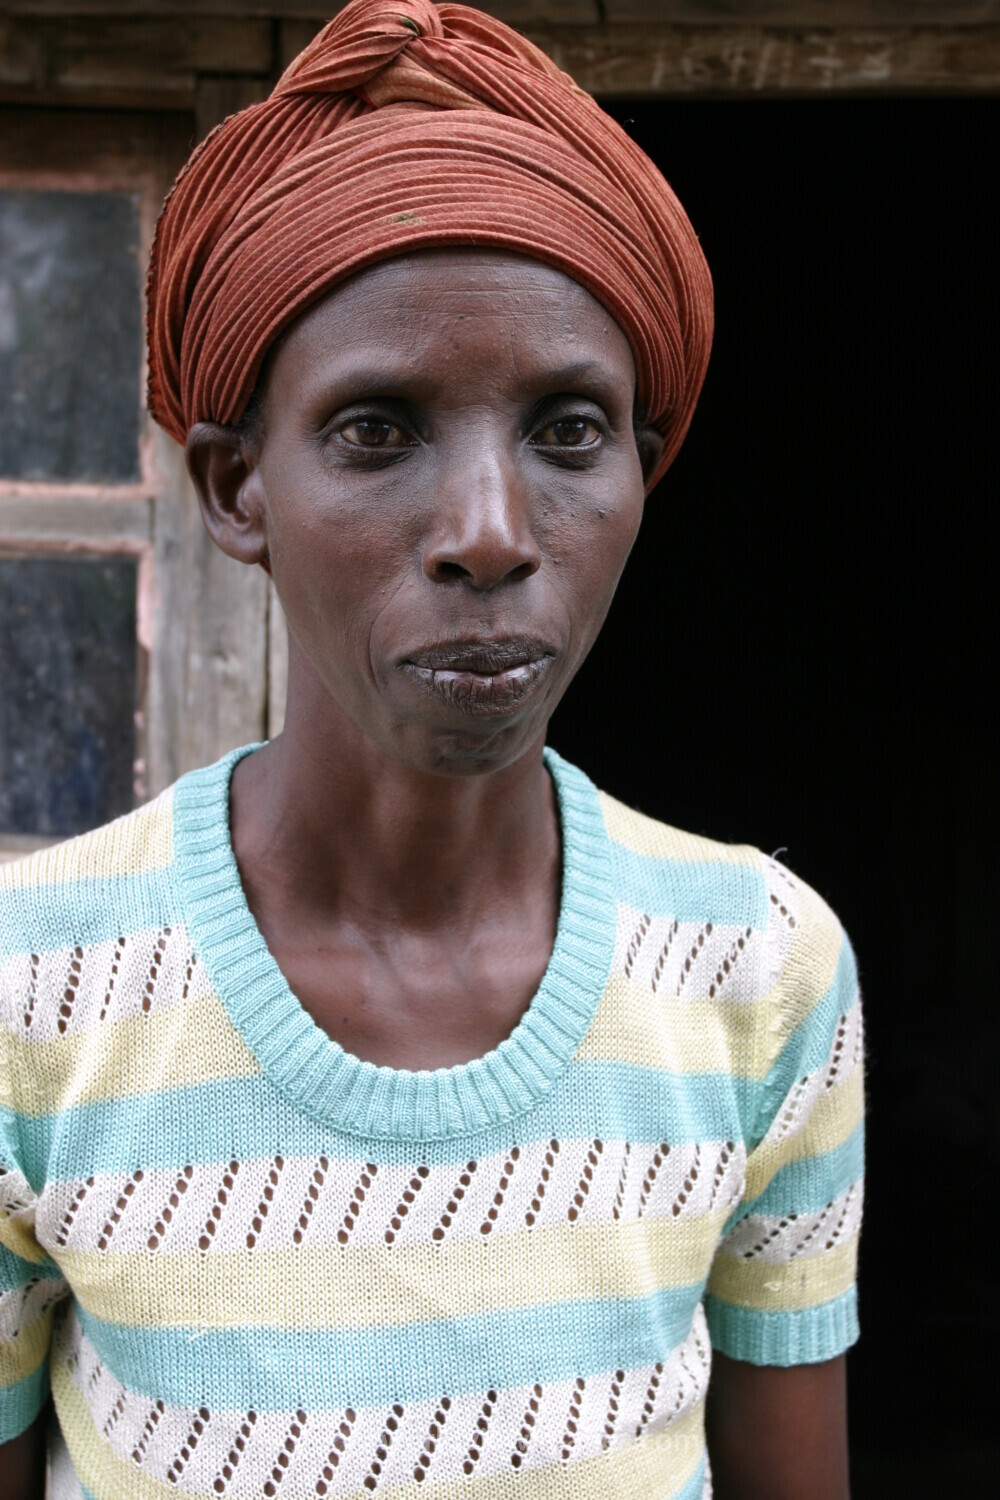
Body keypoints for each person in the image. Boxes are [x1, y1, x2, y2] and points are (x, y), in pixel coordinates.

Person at [0, 3, 864, 1496]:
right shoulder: (38, 989)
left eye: (571, 431)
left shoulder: (758, 969)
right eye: (379, 430)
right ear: (233, 490)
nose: (489, 531)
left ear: (645, 476)